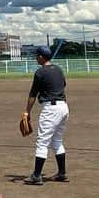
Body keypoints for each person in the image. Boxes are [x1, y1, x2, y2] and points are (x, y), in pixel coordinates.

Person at [23, 45, 69, 185]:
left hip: (51, 109)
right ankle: (61, 173)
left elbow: (32, 95)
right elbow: (62, 86)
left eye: (37, 56)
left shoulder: (40, 73)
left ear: (42, 57)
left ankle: (37, 176)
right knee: (57, 141)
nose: (36, 58)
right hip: (63, 107)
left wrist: (27, 112)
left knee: (42, 142)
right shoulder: (59, 70)